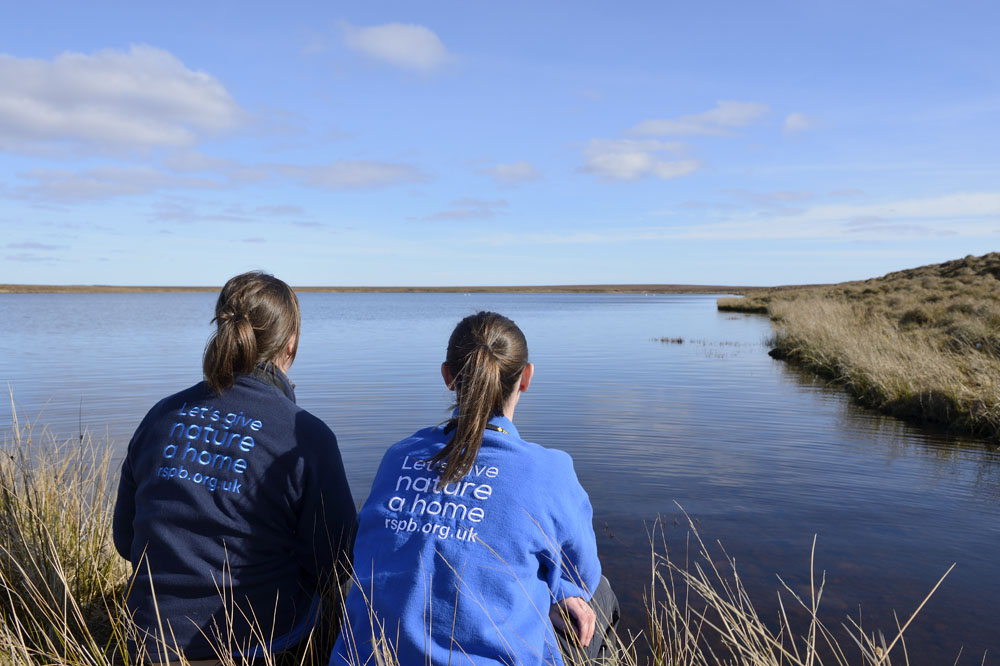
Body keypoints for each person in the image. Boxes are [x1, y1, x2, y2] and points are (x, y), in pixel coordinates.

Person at [331, 311, 618, 666]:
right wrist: (561, 592)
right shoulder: (548, 471)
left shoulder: (398, 456)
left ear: (448, 377)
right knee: (600, 593)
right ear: (526, 378)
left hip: (369, 658)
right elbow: (583, 575)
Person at [113, 271, 358, 664]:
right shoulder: (306, 436)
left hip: (148, 642)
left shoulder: (161, 415)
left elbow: (126, 540)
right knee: (342, 606)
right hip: (257, 646)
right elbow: (336, 561)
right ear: (290, 344)